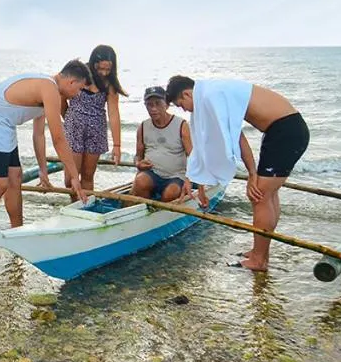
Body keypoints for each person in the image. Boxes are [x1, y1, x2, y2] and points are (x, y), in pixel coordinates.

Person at [165, 75, 310, 272]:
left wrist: (252, 175)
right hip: (284, 129)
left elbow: (236, 138)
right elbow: (230, 136)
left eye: (181, 104)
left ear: (187, 93)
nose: (184, 110)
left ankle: (259, 260)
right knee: (267, 196)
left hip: (285, 131)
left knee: (259, 197)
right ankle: (260, 252)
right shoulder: (212, 91)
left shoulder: (209, 96)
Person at [0, 61, 91, 257]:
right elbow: (58, 138)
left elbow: (39, 135)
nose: (77, 95)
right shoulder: (49, 87)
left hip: (4, 127)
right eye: (79, 89)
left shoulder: (50, 89)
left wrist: (43, 171)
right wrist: (75, 176)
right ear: (71, 81)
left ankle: (18, 233)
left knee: (15, 178)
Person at [62, 45, 127, 197]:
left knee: (87, 175)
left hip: (96, 131)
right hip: (74, 129)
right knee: (70, 178)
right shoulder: (79, 74)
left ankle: (84, 208)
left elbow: (114, 113)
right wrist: (70, 118)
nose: (104, 73)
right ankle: (74, 205)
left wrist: (117, 145)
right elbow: (61, 97)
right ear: (93, 63)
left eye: (108, 69)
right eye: (101, 69)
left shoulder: (109, 84)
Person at [133, 85, 193, 202]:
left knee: (171, 194)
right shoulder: (143, 126)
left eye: (158, 104)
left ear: (166, 104)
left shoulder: (181, 125)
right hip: (152, 174)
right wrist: (138, 163)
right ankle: (145, 209)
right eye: (150, 105)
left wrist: (188, 179)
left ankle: (160, 209)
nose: (153, 109)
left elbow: (192, 155)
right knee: (140, 182)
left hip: (176, 176)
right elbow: (138, 156)